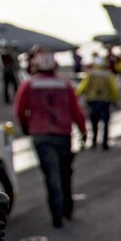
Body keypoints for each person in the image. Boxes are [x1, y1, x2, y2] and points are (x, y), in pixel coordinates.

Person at [12, 49, 87, 228]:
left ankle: (56, 215)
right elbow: (76, 111)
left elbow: (19, 110)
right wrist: (83, 131)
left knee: (51, 175)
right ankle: (67, 208)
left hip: (41, 135)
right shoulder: (65, 84)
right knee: (65, 172)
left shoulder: (29, 85)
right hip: (62, 135)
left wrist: (25, 127)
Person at [74, 56, 118, 150]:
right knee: (105, 123)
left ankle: (93, 142)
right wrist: (114, 99)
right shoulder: (108, 75)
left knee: (94, 123)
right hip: (105, 101)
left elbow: (83, 86)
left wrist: (76, 95)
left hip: (93, 101)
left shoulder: (91, 74)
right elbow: (114, 89)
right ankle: (104, 143)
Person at [0, 39, 19, 104]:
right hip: (8, 71)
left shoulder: (1, 53)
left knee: (7, 85)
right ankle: (14, 98)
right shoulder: (5, 53)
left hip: (6, 71)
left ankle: (8, 99)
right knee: (13, 85)